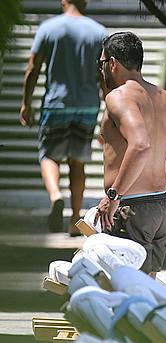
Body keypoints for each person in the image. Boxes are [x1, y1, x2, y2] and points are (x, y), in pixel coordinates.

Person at [93, 32, 166, 278]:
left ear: (113, 63)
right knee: (143, 293)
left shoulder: (119, 97)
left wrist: (114, 195)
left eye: (101, 63)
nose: (101, 70)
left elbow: (140, 145)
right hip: (161, 208)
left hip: (131, 208)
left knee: (123, 294)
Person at [19, 0, 107, 235]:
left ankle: (56, 195)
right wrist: (109, 107)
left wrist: (26, 103)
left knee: (49, 154)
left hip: (56, 104)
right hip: (87, 105)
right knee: (77, 163)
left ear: (63, 1)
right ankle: (75, 221)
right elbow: (104, 74)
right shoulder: (98, 32)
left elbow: (33, 67)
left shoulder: (48, 28)